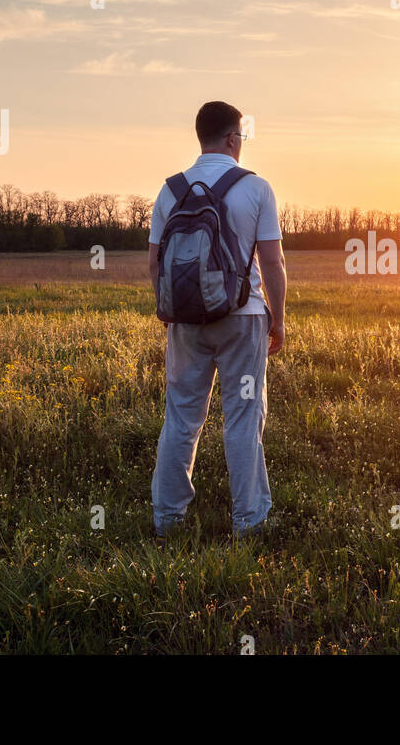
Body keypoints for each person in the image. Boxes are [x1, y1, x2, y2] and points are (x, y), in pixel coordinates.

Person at [147, 101, 286, 538]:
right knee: (243, 417)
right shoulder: (256, 188)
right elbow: (273, 262)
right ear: (232, 139)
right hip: (243, 319)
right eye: (241, 137)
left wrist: (169, 311)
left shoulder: (170, 191)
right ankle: (250, 521)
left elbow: (154, 263)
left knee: (181, 418)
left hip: (185, 322)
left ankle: (167, 519)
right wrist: (277, 320)